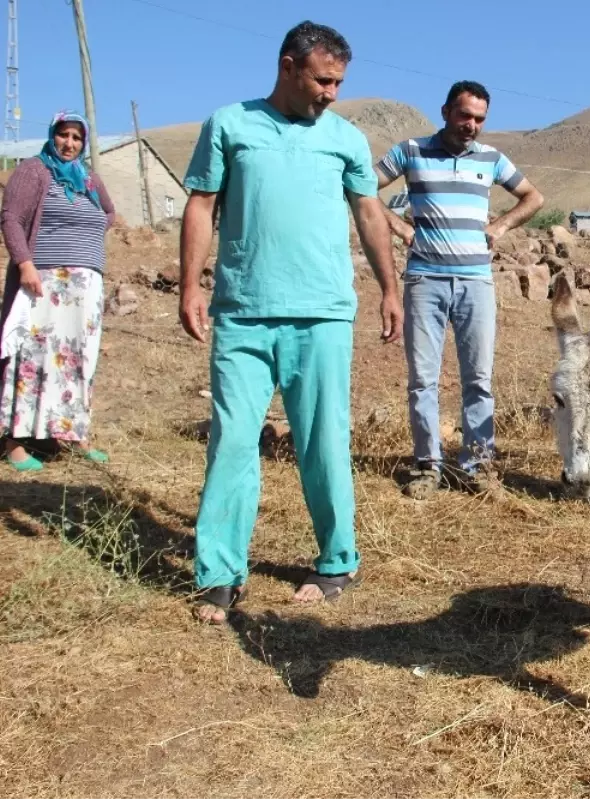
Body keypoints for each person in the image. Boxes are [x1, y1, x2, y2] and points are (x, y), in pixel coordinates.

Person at [178, 21, 402, 623]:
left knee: (323, 441)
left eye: (339, 82)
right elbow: (201, 204)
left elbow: (369, 212)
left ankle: (337, 560)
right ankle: (219, 574)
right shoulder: (231, 124)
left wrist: (389, 287)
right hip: (243, 312)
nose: (332, 92)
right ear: (287, 66)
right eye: (323, 79)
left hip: (322, 314)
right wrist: (190, 285)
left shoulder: (346, 139)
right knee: (231, 442)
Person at [374, 80, 543, 500]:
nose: (472, 125)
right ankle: (427, 466)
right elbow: (361, 185)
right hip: (424, 280)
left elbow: (533, 197)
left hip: (476, 282)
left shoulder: (491, 159)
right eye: (465, 115)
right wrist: (398, 227)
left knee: (479, 379)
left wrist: (500, 226)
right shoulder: (411, 151)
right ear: (447, 110)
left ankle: (478, 465)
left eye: (480, 119)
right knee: (422, 380)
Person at [0, 111, 116, 472]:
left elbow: (109, 214)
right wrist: (26, 264)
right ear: (53, 135)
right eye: (64, 135)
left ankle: (71, 433)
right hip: (43, 281)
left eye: (77, 138)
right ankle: (14, 442)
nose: (70, 143)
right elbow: (11, 219)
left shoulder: (90, 178)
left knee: (79, 358)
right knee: (31, 357)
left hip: (85, 287)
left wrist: (84, 246)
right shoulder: (34, 171)